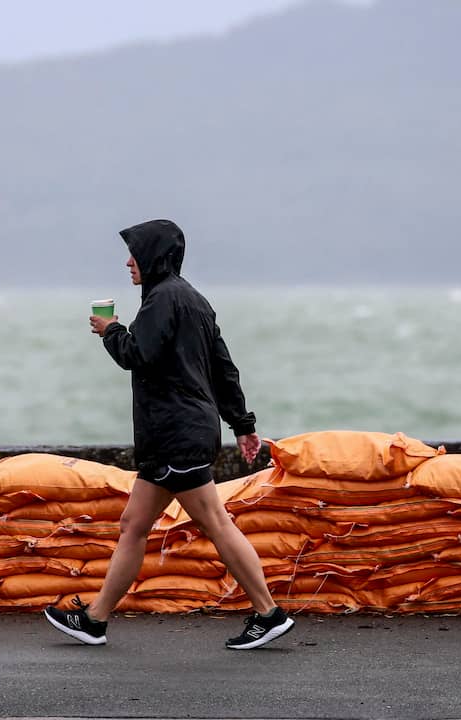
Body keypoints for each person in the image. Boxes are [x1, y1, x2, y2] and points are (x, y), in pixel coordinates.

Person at [43, 218, 294, 650]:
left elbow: (137, 354)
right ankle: (95, 619)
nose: (128, 262)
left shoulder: (162, 300)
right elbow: (223, 369)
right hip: (182, 433)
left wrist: (111, 332)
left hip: (175, 434)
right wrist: (243, 425)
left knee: (214, 522)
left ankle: (268, 612)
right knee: (134, 524)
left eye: (135, 254)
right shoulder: (194, 300)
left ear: (155, 256)